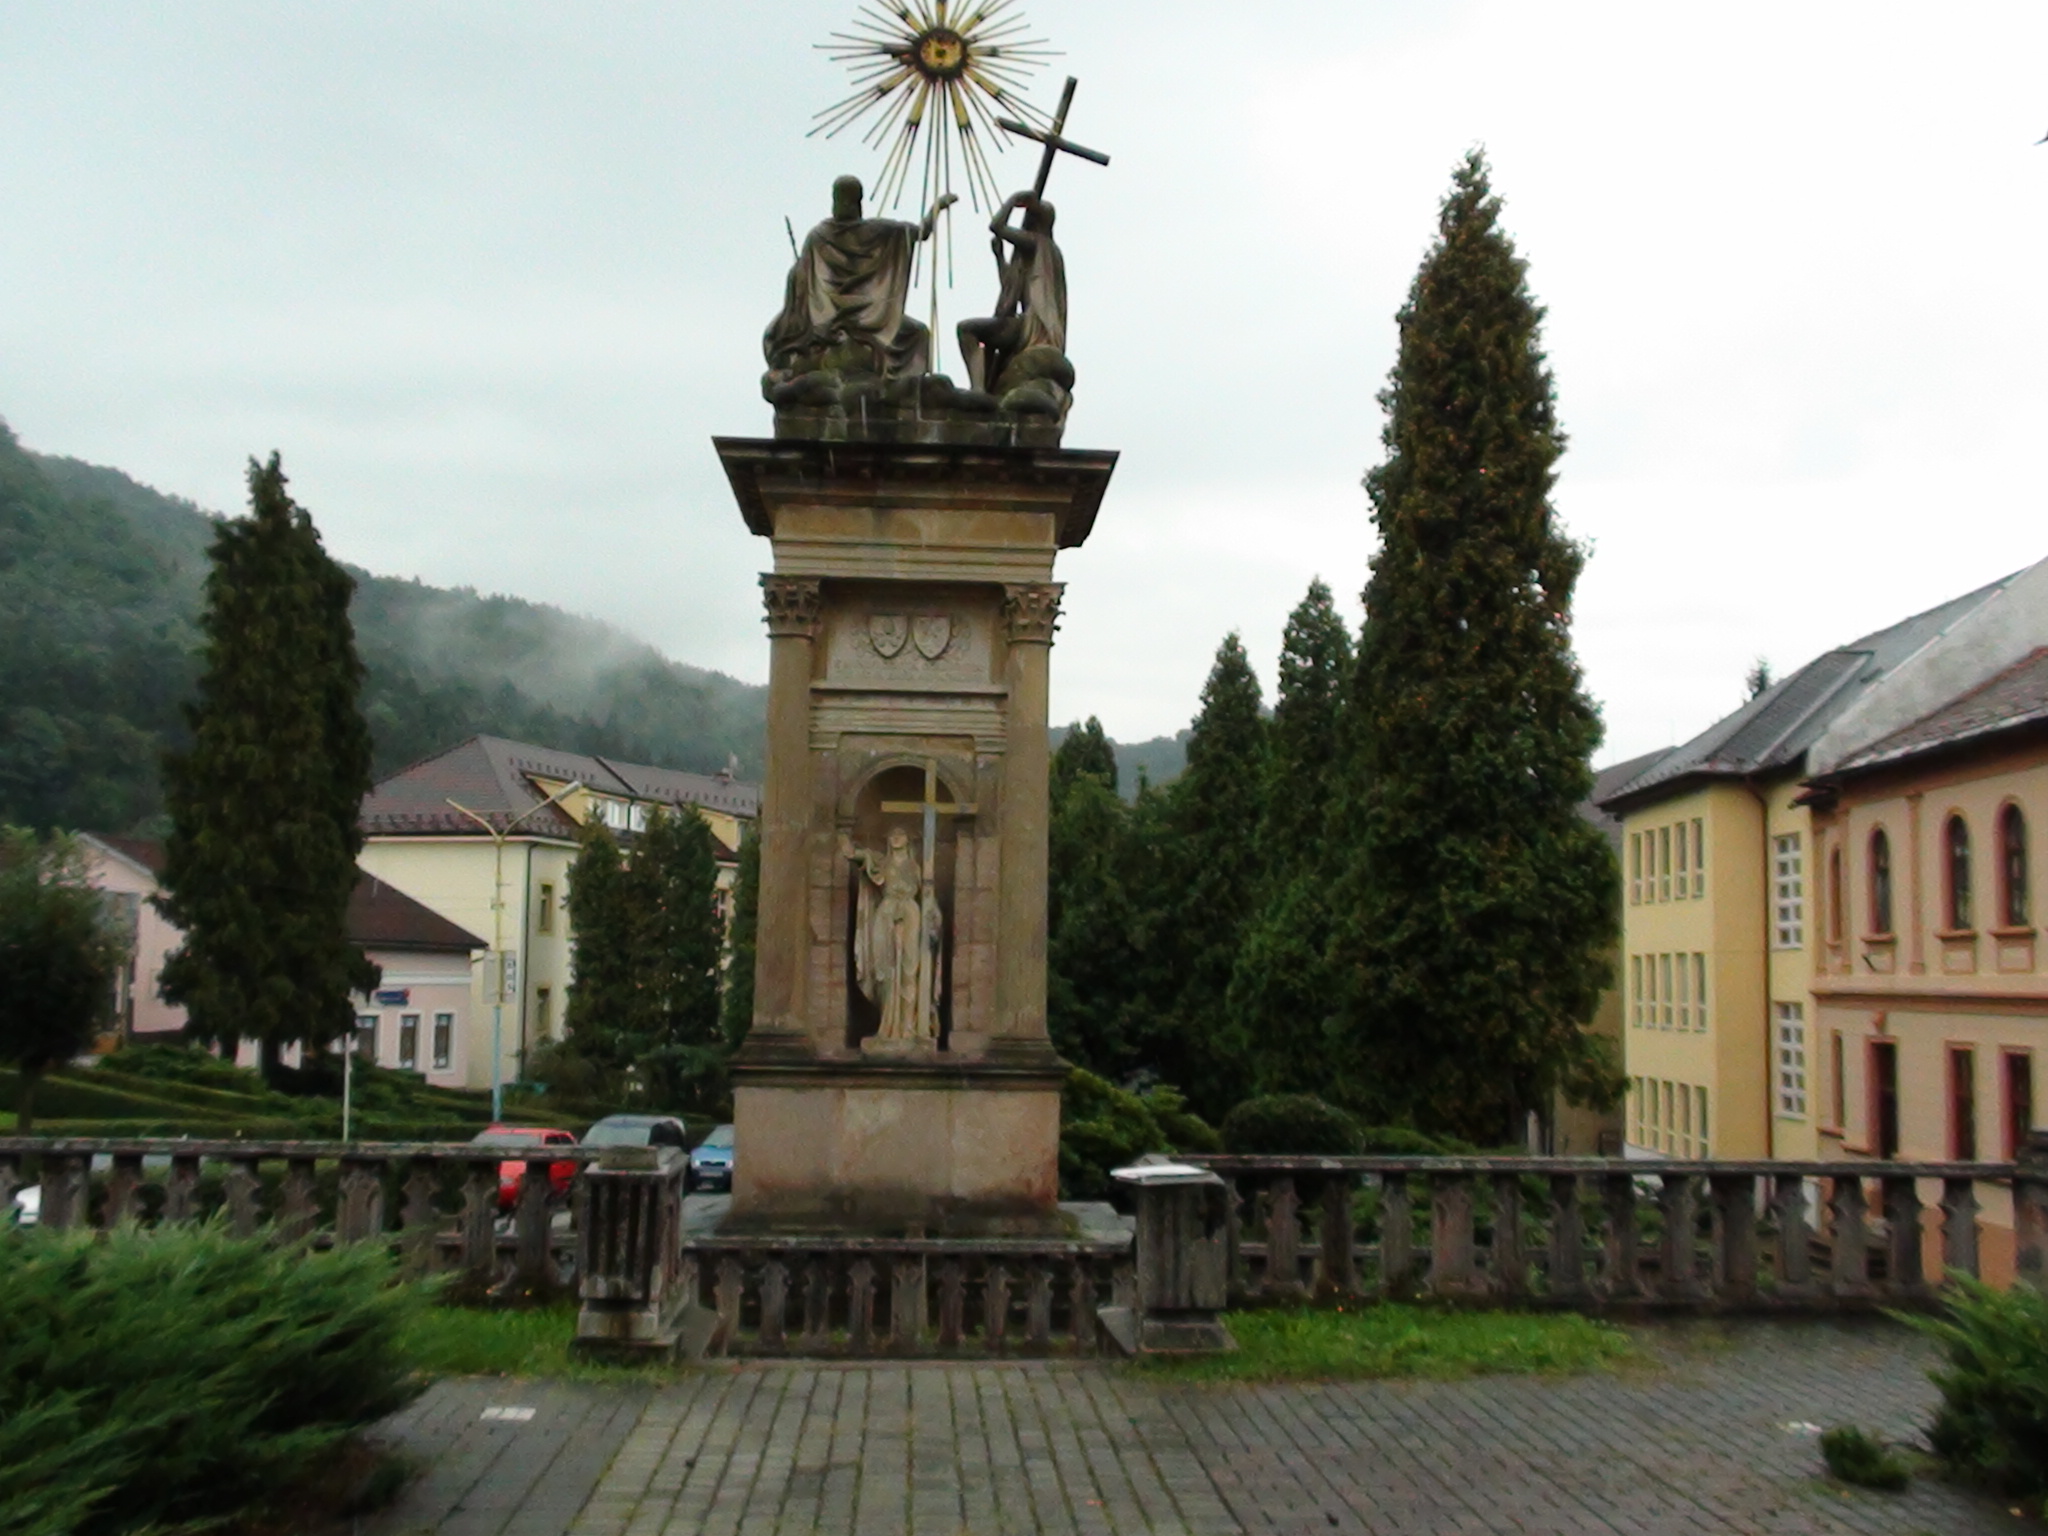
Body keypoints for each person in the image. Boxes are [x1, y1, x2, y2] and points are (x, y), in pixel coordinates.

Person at [764, 176, 955, 383]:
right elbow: (800, 282)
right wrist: (937, 208)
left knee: (918, 333)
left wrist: (937, 208)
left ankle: (909, 388)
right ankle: (906, 387)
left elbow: (919, 233)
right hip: (851, 318)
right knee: (917, 334)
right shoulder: (822, 236)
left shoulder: (866, 231)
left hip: (858, 315)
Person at [956, 191, 1067, 395]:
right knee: (993, 356)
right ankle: (982, 389)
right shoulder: (1042, 252)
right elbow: (1011, 288)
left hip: (1033, 325)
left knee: (967, 330)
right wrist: (999, 256)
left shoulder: (1037, 243)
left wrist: (1013, 200)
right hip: (1029, 323)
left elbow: (996, 226)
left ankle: (978, 390)